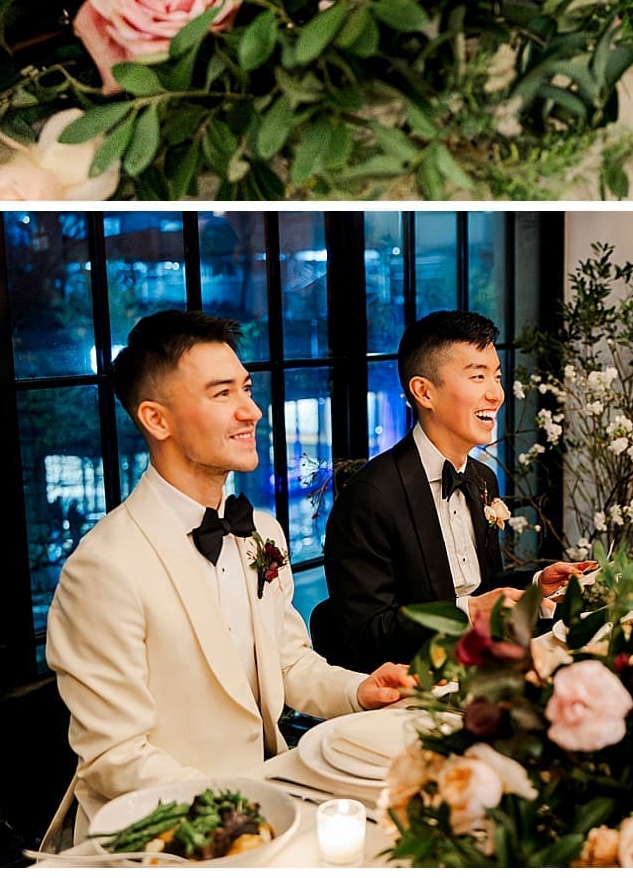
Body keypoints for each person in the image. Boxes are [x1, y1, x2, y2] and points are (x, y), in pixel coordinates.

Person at [41, 313, 413, 847]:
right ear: (156, 419)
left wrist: (359, 689)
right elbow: (114, 759)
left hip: (273, 801)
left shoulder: (260, 530)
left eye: (246, 388)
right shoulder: (103, 567)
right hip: (167, 837)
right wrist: (252, 808)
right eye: (221, 394)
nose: (251, 410)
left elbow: (287, 662)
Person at [318, 310, 588, 670]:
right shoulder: (371, 496)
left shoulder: (481, 478)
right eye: (478, 377)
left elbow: (481, 587)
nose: (496, 394)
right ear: (423, 392)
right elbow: (366, 634)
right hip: (413, 689)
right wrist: (467, 614)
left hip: (483, 671)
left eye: (497, 376)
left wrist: (537, 584)